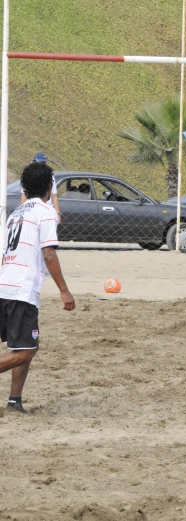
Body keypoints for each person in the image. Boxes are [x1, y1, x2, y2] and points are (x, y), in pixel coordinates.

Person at [0, 162, 75, 415]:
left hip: (4, 285)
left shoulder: (16, 213)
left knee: (21, 348)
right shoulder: (46, 212)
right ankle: (14, 401)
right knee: (28, 350)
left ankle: (14, 402)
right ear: (48, 186)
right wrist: (64, 290)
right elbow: (49, 255)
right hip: (22, 290)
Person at [21, 153, 61, 221]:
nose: (42, 165)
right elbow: (24, 194)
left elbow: (54, 195)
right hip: (31, 209)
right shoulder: (28, 175)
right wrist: (22, 211)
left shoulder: (49, 176)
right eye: (40, 162)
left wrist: (58, 213)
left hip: (46, 209)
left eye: (43, 163)